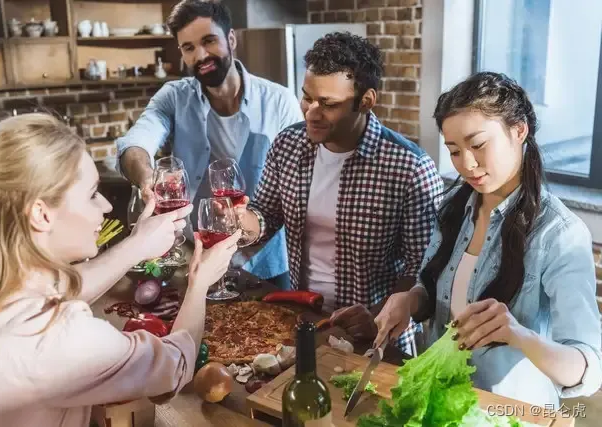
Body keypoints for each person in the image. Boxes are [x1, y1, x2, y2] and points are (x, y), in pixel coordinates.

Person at [0, 114, 240, 427]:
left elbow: (64, 289)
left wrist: (137, 244)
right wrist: (199, 282)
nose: (107, 206)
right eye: (92, 194)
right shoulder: (58, 337)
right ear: (40, 214)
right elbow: (175, 367)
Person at [373, 72, 602, 406]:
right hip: (438, 402)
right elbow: (432, 293)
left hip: (508, 412)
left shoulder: (560, 234)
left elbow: (586, 368)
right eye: (454, 151)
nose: (467, 164)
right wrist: (408, 301)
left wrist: (517, 334)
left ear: (519, 130)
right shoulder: (453, 208)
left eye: (478, 145)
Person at [237, 32, 444, 355]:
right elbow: (266, 215)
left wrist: (376, 314)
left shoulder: (410, 168)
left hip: (376, 337)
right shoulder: (287, 145)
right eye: (307, 97)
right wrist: (242, 221)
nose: (311, 112)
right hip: (303, 323)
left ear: (366, 101)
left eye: (328, 104)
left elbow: (423, 271)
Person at [116, 0, 303, 288]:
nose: (200, 55)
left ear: (230, 39)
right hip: (197, 256)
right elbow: (136, 143)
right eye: (188, 48)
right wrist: (146, 177)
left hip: (263, 261)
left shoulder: (279, 102)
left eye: (208, 41)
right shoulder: (174, 97)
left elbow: (300, 183)